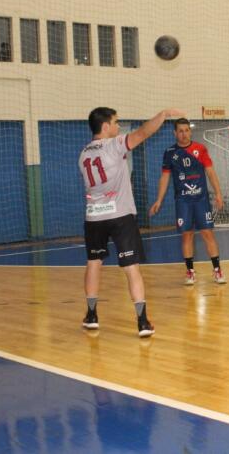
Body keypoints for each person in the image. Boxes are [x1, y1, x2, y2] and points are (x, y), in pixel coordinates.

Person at [79, 107, 185, 337]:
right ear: (105, 126)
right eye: (116, 122)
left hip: (94, 216)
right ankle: (143, 321)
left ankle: (91, 315)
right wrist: (162, 115)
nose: (118, 126)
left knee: (93, 263)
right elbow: (143, 133)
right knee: (131, 268)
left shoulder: (84, 153)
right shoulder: (114, 145)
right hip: (120, 216)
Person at [149, 118, 226, 286]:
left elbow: (211, 172)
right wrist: (159, 200)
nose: (184, 134)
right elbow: (165, 177)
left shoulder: (200, 149)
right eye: (180, 131)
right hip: (183, 201)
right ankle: (190, 271)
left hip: (201, 199)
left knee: (207, 233)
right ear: (175, 133)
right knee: (187, 235)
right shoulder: (170, 153)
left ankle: (217, 269)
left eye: (186, 130)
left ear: (190, 132)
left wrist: (219, 194)